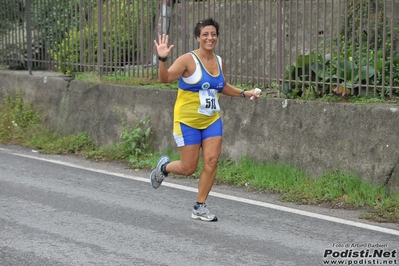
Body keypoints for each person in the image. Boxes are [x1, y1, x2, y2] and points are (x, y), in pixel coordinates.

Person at [151, 18, 260, 222]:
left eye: (213, 34)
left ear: (217, 37)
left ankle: (199, 206)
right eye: (205, 34)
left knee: (211, 160)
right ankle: (163, 168)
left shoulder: (219, 61)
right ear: (198, 37)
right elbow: (164, 78)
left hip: (211, 120)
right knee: (188, 168)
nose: (210, 38)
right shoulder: (187, 60)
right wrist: (162, 59)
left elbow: (221, 86)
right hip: (187, 122)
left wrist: (245, 93)